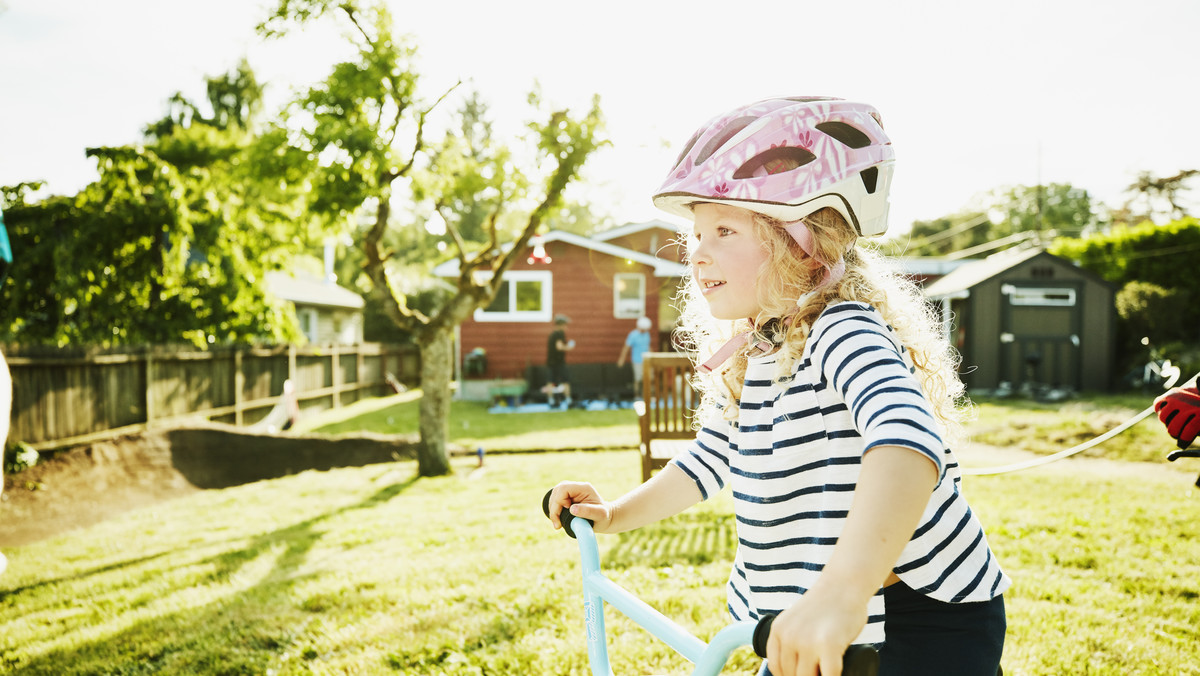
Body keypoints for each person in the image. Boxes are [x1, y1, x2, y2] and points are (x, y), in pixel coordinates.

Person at [547, 97, 1009, 676]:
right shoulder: (757, 351)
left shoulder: (843, 330)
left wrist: (841, 594)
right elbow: (707, 460)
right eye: (695, 234)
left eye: (723, 230)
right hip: (814, 615)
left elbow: (907, 441)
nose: (697, 254)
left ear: (801, 242)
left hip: (913, 619)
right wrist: (614, 513)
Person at [541, 314, 575, 408]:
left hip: (551, 362)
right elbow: (559, 347)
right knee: (565, 381)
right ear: (561, 324)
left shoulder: (553, 334)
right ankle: (569, 401)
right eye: (565, 324)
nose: (566, 326)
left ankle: (551, 401)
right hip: (558, 362)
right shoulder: (559, 334)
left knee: (550, 382)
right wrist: (569, 347)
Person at [617, 316, 653, 395]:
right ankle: (636, 395)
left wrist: (652, 356)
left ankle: (646, 395)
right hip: (637, 360)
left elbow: (648, 346)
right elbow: (626, 347)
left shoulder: (647, 334)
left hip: (647, 360)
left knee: (647, 379)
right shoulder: (633, 335)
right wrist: (622, 359)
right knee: (638, 379)